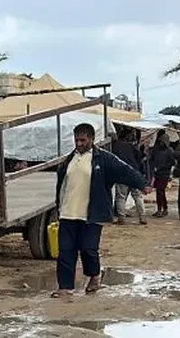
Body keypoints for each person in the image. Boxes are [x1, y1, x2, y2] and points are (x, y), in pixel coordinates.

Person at [51, 123, 149, 298]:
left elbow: (125, 171)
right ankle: (65, 287)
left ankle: (95, 275)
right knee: (65, 251)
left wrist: (142, 184)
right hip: (67, 213)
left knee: (88, 249)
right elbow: (61, 184)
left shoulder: (103, 159)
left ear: (92, 139)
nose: (79, 144)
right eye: (77, 140)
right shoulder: (69, 160)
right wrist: (59, 206)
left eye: (83, 140)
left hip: (91, 214)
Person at [111, 129, 146, 225]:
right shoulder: (130, 145)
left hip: (121, 174)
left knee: (121, 197)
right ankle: (142, 217)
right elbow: (139, 156)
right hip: (134, 172)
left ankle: (121, 218)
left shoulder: (113, 147)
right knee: (137, 196)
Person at [147, 132, 175, 218]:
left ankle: (161, 209)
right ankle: (163, 208)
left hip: (164, 174)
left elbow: (172, 162)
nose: (161, 143)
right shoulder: (156, 150)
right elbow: (151, 159)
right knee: (160, 192)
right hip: (157, 173)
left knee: (160, 191)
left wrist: (162, 167)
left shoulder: (169, 151)